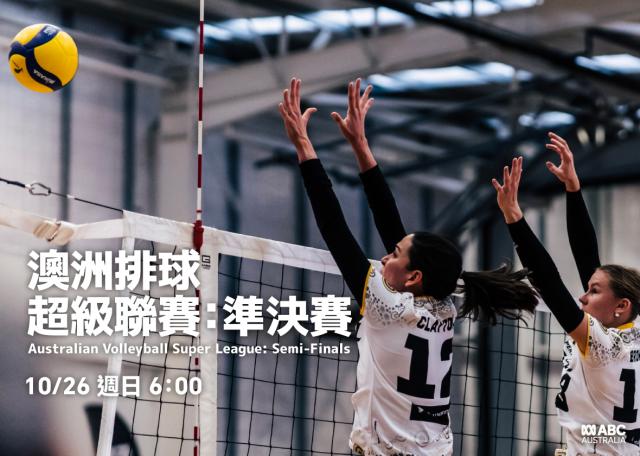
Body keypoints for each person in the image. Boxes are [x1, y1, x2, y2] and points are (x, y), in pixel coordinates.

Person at [279, 77, 538, 455]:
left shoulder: (389, 306)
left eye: (394, 254)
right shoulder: (441, 304)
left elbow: (336, 230)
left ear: (415, 276)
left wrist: (304, 145)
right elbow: (390, 224)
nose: (385, 256)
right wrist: (361, 146)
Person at [492, 134, 640, 455]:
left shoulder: (603, 343)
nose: (583, 297)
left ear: (621, 305)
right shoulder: (631, 331)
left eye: (594, 291)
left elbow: (550, 283)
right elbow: (588, 258)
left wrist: (514, 218)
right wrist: (573, 188)